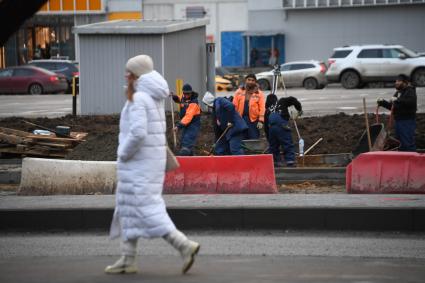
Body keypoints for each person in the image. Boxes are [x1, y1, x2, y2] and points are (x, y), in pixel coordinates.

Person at [105, 55, 200, 275]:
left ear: (137, 74)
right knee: (129, 208)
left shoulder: (139, 98)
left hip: (138, 164)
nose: (125, 75)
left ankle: (184, 246)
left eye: (129, 72)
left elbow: (138, 133)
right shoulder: (152, 97)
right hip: (148, 162)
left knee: (148, 210)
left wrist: (122, 152)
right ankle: (128, 259)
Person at [377, 74, 417, 151]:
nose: (396, 83)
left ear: (405, 82)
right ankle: (401, 159)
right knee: (399, 142)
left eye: (399, 81)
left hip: (407, 122)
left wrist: (397, 100)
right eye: (396, 81)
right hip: (398, 121)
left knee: (407, 143)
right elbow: (393, 107)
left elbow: (410, 102)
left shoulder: (410, 91)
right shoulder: (399, 92)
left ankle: (411, 160)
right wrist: (383, 102)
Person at [266, 95, 303, 167]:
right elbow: (293, 99)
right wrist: (299, 109)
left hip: (271, 128)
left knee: (273, 146)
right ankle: (290, 162)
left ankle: (275, 162)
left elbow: (265, 127)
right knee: (287, 143)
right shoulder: (282, 101)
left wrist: (269, 138)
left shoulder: (268, 109)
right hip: (281, 124)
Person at [232, 74, 266, 140]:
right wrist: (233, 119)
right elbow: (234, 106)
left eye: (252, 80)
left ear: (255, 82)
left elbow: (262, 107)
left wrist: (261, 121)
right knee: (241, 139)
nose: (250, 82)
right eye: (249, 80)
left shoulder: (259, 93)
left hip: (253, 120)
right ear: (245, 80)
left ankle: (253, 150)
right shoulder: (239, 92)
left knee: (254, 138)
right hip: (241, 119)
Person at [172, 84, 201, 156]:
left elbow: (188, 116)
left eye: (188, 94)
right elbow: (179, 99)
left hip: (193, 124)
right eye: (184, 93)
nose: (186, 95)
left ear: (191, 93)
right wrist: (174, 97)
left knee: (186, 143)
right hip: (186, 124)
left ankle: (184, 160)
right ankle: (192, 160)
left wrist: (178, 126)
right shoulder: (183, 97)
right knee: (183, 143)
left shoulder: (194, 103)